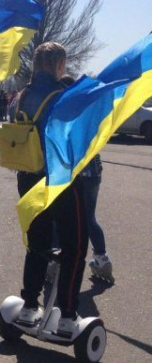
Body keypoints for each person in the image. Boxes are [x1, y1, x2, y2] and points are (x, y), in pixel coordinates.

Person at [14, 42, 89, 336]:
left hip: (28, 179)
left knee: (37, 244)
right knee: (75, 246)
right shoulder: (64, 96)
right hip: (60, 182)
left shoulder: (21, 96)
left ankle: (30, 304)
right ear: (59, 66)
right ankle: (68, 314)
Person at [60, 75, 114, 283]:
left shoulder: (66, 111)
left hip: (75, 173)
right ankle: (102, 257)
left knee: (61, 217)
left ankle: (55, 262)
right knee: (89, 217)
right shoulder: (89, 108)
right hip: (94, 170)